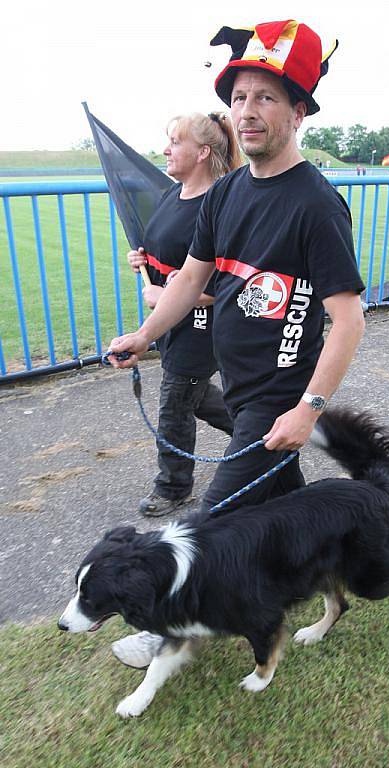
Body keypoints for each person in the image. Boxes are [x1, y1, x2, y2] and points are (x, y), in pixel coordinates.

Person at [107, 19, 366, 668]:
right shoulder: (225, 193)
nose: (247, 113)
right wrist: (143, 335)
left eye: (266, 98)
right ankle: (337, 571)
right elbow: (191, 277)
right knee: (290, 516)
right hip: (244, 387)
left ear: (299, 110)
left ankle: (166, 632)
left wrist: (307, 409)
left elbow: (349, 319)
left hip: (275, 399)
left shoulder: (316, 205)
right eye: (239, 97)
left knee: (207, 526)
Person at [129, 112, 241, 515]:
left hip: (200, 328)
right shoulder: (170, 195)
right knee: (193, 396)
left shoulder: (217, 207)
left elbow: (216, 285)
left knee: (175, 403)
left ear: (203, 152)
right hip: (171, 324)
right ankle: (256, 434)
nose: (165, 149)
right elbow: (166, 251)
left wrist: (162, 294)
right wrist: (142, 259)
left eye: (175, 141)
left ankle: (173, 486)